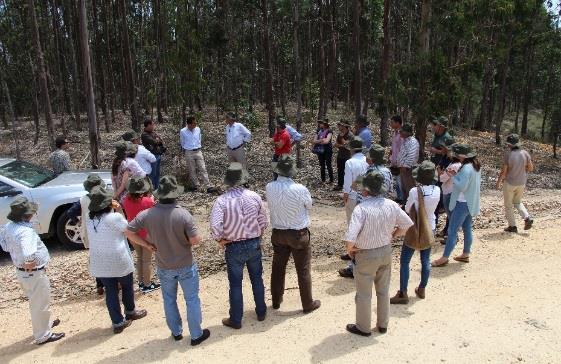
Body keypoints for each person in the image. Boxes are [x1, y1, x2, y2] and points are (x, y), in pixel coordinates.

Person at [126, 175, 211, 345]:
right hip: (185, 264)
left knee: (169, 299)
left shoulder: (147, 214)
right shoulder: (183, 214)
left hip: (164, 265)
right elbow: (195, 240)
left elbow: (128, 231)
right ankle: (195, 334)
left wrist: (147, 245)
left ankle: (176, 332)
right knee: (192, 299)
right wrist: (184, 241)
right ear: (175, 194)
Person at [343, 171, 413, 337]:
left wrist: (350, 250)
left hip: (365, 254)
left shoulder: (361, 209)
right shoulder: (391, 205)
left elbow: (351, 236)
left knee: (364, 293)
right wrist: (393, 235)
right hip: (385, 251)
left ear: (365, 191)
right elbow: (407, 224)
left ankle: (363, 327)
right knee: (383, 290)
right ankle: (383, 324)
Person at [210, 163, 268, 329]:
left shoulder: (221, 201)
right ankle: (261, 311)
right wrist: (257, 236)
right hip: (253, 242)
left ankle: (236, 319)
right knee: (257, 278)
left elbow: (215, 225)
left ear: (228, 181)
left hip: (233, 246)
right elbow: (263, 221)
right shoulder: (255, 196)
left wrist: (220, 239)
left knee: (235, 283)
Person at [86, 186, 151, 334]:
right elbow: (129, 231)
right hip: (117, 258)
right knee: (127, 285)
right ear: (108, 203)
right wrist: (147, 244)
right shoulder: (114, 217)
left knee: (111, 291)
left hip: (99, 261)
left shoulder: (90, 220)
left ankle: (117, 322)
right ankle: (130, 311)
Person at [0, 197, 65, 344]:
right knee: (40, 304)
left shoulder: (8, 227)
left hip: (22, 272)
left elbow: (4, 246)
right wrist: (31, 262)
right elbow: (28, 253)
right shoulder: (25, 232)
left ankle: (44, 325)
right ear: (26, 215)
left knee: (36, 302)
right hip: (33, 273)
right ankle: (43, 335)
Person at [266, 155, 321, 314]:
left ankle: (276, 301)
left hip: (278, 233)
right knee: (303, 270)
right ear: (292, 172)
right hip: (298, 234)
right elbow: (309, 206)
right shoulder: (300, 188)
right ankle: (307, 303)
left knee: (277, 268)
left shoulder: (270, 187)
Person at [339, 144, 394, 278]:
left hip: (366, 209)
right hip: (382, 208)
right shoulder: (387, 171)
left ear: (371, 159)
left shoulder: (369, 172)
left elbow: (354, 185)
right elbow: (391, 190)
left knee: (360, 238)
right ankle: (377, 265)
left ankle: (354, 268)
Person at [390, 161, 440, 304]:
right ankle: (422, 288)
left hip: (413, 227)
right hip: (429, 227)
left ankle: (403, 292)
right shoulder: (437, 191)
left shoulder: (414, 191)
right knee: (425, 260)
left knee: (405, 260)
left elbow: (407, 209)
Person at [432, 144, 481, 267]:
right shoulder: (476, 167)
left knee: (452, 230)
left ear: (463, 156)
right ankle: (465, 253)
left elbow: (461, 186)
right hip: (470, 202)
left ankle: (444, 257)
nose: (455, 155)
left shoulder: (466, 168)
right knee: (467, 228)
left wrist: (453, 176)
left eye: (457, 153)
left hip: (462, 203)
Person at [66, 174, 108, 295]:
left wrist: (78, 222)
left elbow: (70, 212)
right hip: (104, 232)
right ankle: (112, 282)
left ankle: (99, 285)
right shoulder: (104, 197)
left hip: (90, 233)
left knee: (96, 258)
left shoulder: (82, 200)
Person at [122, 176, 159, 293]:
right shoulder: (148, 201)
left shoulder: (125, 200)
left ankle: (141, 281)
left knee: (139, 257)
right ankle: (147, 284)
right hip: (146, 233)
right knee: (147, 260)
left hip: (132, 233)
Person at [496, 134, 534, 233]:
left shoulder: (508, 154)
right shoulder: (525, 153)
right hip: (521, 182)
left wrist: (498, 182)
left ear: (509, 144)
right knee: (517, 202)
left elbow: (503, 172)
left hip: (510, 183)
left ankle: (512, 226)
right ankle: (527, 218)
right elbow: (530, 168)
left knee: (508, 205)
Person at [179, 116, 216, 193]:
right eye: (193, 123)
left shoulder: (198, 129)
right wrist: (185, 150)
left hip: (198, 151)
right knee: (192, 169)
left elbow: (199, 138)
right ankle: (196, 185)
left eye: (196, 123)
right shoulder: (183, 131)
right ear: (188, 124)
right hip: (189, 152)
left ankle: (208, 185)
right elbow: (182, 142)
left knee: (203, 168)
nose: (195, 124)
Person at [436, 137, 459, 238]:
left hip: (449, 190)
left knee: (451, 214)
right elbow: (439, 169)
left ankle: (451, 234)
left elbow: (442, 176)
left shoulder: (454, 164)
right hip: (446, 188)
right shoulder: (446, 159)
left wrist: (441, 173)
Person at [342, 136, 368, 224]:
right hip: (366, 194)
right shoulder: (367, 160)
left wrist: (346, 193)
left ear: (351, 149)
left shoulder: (350, 162)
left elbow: (348, 180)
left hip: (353, 195)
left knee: (352, 220)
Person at [225, 112, 252, 179]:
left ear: (230, 119)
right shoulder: (227, 127)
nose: (225, 120)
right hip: (230, 149)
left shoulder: (239, 125)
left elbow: (248, 133)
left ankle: (245, 181)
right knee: (233, 166)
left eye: (226, 118)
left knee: (242, 165)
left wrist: (244, 141)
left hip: (238, 149)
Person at [397, 123, 420, 202]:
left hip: (408, 169)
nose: (400, 133)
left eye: (402, 131)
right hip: (403, 168)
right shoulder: (405, 141)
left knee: (410, 188)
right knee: (404, 188)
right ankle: (406, 205)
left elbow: (411, 155)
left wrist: (405, 166)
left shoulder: (413, 142)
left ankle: (412, 207)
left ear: (408, 132)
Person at [142, 119, 166, 189]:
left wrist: (159, 141)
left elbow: (160, 141)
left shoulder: (153, 133)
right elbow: (154, 142)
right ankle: (150, 190)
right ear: (148, 125)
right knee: (152, 174)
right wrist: (157, 141)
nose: (154, 126)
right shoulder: (144, 135)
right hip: (151, 156)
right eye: (152, 124)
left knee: (157, 173)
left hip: (157, 154)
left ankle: (157, 188)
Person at [333, 120, 354, 191]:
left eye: (342, 126)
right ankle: (340, 185)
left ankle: (347, 186)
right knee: (340, 171)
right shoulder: (340, 134)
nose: (340, 127)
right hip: (340, 155)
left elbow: (348, 146)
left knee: (347, 172)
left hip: (348, 156)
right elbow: (336, 144)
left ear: (346, 127)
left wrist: (342, 140)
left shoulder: (350, 135)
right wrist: (342, 145)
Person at [312, 119, 334, 184]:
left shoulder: (329, 131)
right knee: (322, 165)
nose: (320, 124)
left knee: (328, 165)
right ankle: (323, 180)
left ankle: (331, 180)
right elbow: (314, 141)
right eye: (319, 123)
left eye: (321, 123)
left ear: (325, 124)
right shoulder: (318, 130)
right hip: (320, 150)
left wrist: (320, 140)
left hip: (328, 150)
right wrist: (321, 140)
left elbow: (327, 141)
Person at [389, 115, 404, 201]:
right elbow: (394, 147)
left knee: (400, 181)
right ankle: (399, 197)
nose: (391, 124)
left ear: (398, 123)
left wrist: (399, 161)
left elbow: (401, 149)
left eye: (392, 122)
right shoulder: (395, 133)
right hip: (394, 161)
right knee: (397, 181)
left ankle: (402, 198)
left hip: (400, 162)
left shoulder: (401, 134)